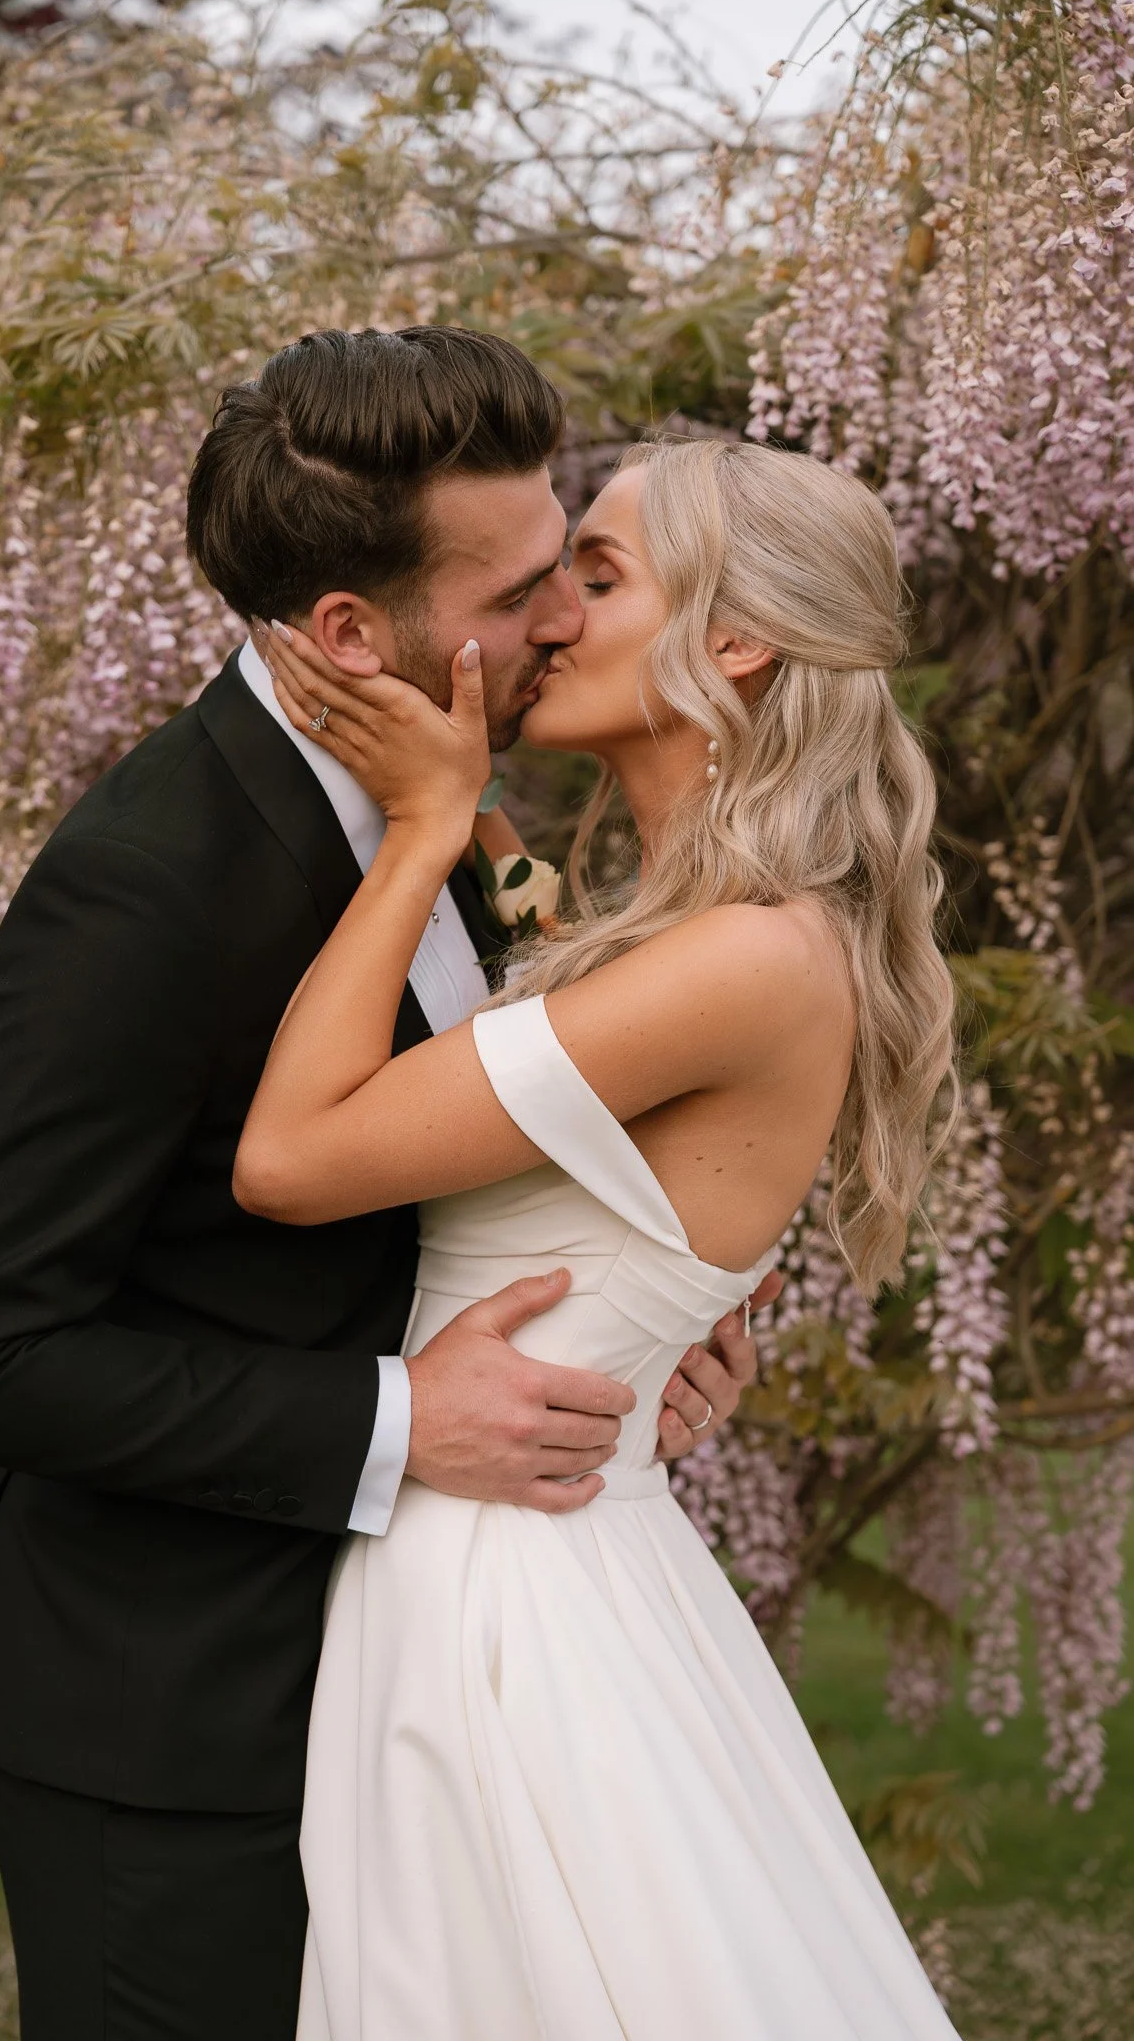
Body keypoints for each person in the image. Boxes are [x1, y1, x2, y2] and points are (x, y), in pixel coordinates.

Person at [0, 327, 772, 2041]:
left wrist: (625, 1326)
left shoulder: (437, 805)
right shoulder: (147, 884)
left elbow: (461, 1152)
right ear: (353, 635)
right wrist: (399, 1421)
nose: (567, 624)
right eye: (521, 591)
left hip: (416, 1676)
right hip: (173, 1727)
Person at [238, 434, 962, 2039]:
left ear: (737, 641)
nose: (549, 614)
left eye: (601, 574)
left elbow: (290, 1160)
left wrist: (426, 826)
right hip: (504, 1548)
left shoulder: (748, 957)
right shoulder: (696, 929)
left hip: (515, 1600)